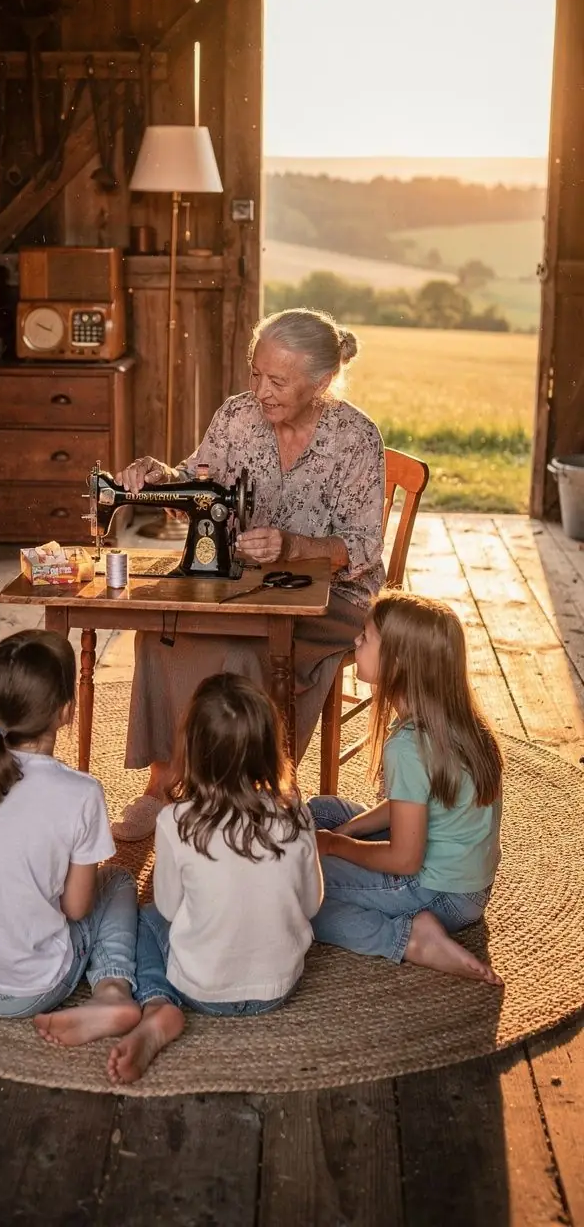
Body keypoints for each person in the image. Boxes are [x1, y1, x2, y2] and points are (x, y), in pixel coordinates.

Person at [113, 307, 385, 840]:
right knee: (158, 629)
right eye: (256, 373)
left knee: (241, 650)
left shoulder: (356, 438)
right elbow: (196, 485)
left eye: (278, 380)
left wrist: (293, 545)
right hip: (245, 584)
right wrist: (157, 478)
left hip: (334, 596)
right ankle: (164, 785)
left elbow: (364, 548)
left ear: (322, 381)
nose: (261, 390)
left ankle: (246, 792)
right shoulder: (237, 417)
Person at [0, 630, 140, 1041]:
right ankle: (112, 989)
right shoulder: (81, 792)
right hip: (29, 990)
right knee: (121, 882)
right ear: (67, 712)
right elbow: (76, 908)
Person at [107, 673, 323, 1085]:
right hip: (278, 988)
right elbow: (312, 904)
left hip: (200, 991)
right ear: (269, 747)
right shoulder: (297, 813)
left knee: (142, 920)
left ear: (191, 750)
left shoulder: (174, 821)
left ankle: (157, 1005)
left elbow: (169, 909)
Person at [308, 591, 504, 985]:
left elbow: (404, 860)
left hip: (438, 892)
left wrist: (335, 846)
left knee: (300, 891)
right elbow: (411, 806)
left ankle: (410, 939)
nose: (355, 643)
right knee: (321, 811)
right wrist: (349, 829)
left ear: (397, 662)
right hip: (464, 883)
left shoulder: (408, 747)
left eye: (365, 637)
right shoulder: (457, 721)